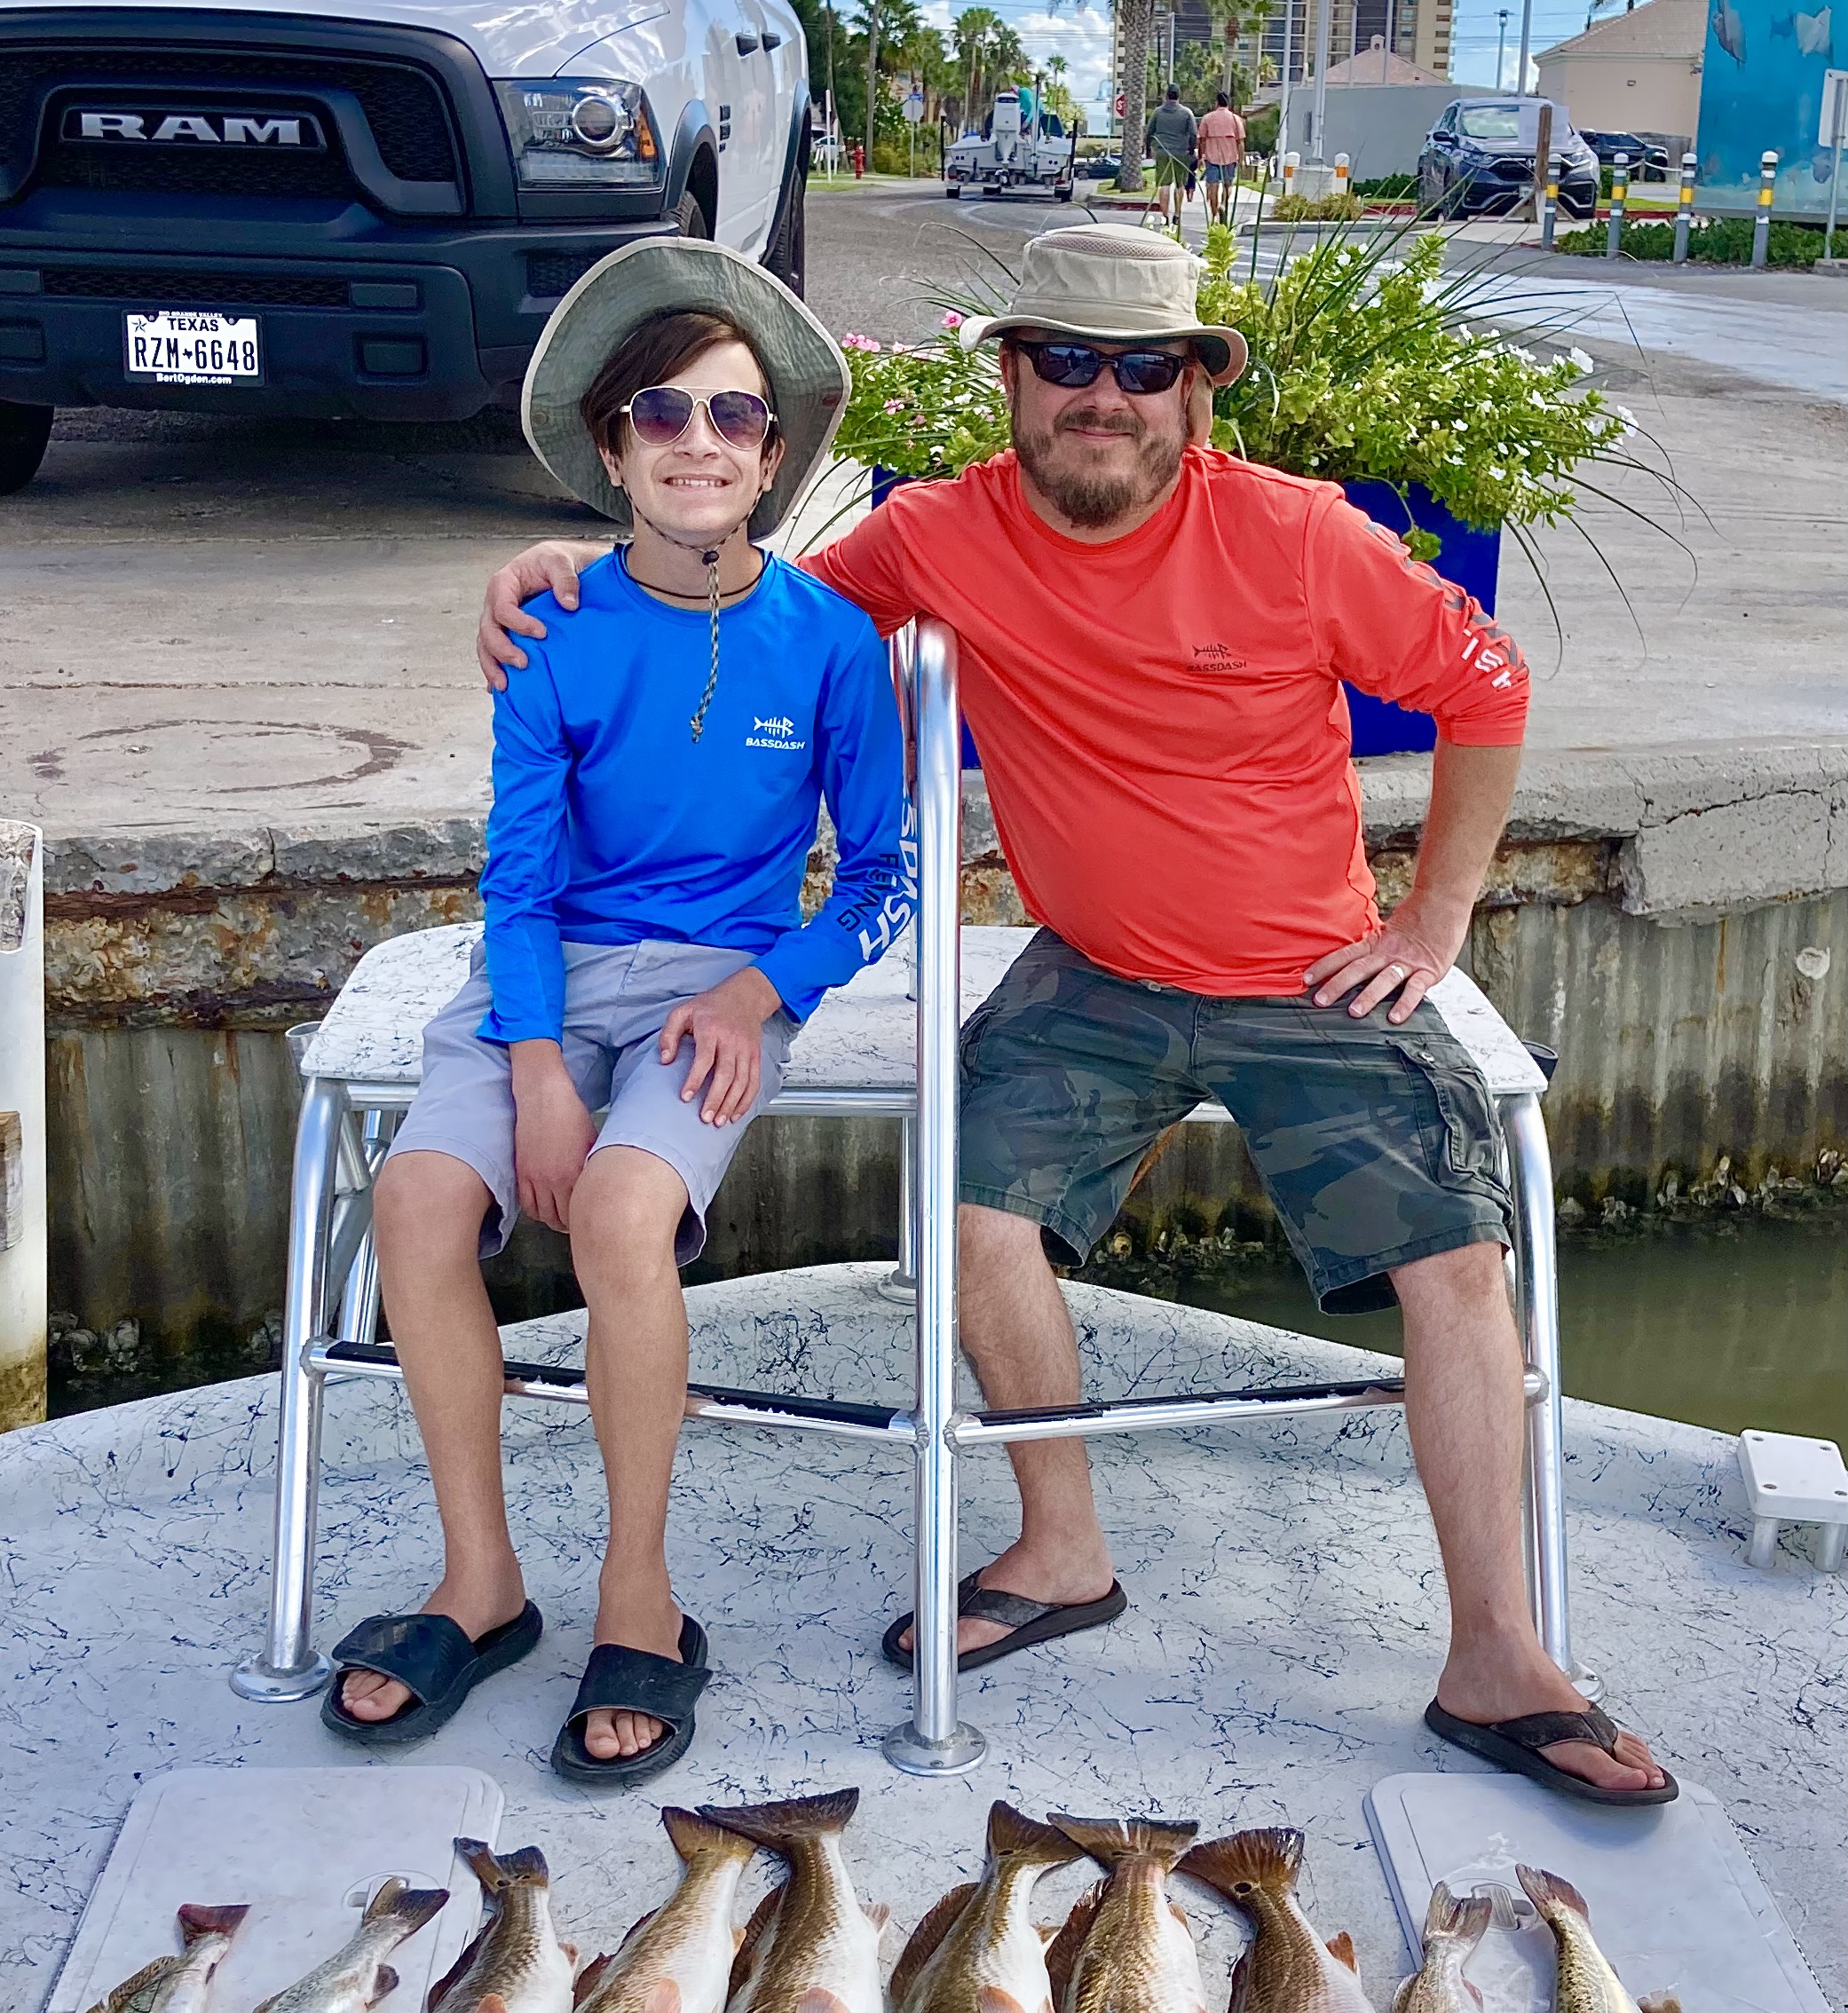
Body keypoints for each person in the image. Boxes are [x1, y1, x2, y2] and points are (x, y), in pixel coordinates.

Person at [476, 224, 1673, 1810]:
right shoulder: (934, 536)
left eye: (1140, 367)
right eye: (1067, 364)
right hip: (1091, 969)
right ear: (1014, 380)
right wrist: (549, 571)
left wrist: (1433, 918)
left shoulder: (1300, 537)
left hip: (1307, 973)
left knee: (1455, 1255)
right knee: (975, 1218)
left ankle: (1499, 1655)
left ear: (1192, 389)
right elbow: (728, 587)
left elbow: (1483, 682)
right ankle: (1059, 1544)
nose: (1100, 395)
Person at [325, 238, 911, 1786]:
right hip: (540, 978)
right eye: (662, 414)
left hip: (710, 992)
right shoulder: (552, 626)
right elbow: (514, 881)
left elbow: (883, 885)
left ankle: (637, 1593)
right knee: (416, 1202)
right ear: (612, 447)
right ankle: (481, 1583)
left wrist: (755, 984)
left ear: (773, 457)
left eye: (731, 416)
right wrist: (529, 1067)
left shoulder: (833, 644)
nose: (698, 443)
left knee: (622, 1213)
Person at [1148, 85, 1198, 228]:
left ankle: (1165, 217)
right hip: (1181, 152)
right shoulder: (1187, 113)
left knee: (1164, 185)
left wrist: (1149, 148)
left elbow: (1149, 132)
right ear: (1179, 96)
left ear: (1166, 96)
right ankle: (1177, 214)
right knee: (1180, 184)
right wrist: (1191, 148)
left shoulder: (1157, 112)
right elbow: (1194, 134)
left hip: (1162, 151)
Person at [1197, 90, 1247, 223]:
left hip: (1212, 157)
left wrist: (1200, 156)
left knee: (1213, 185)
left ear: (1216, 103)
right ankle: (1224, 205)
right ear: (1228, 104)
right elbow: (1240, 142)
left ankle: (1214, 214)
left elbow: (1201, 139)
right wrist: (1241, 160)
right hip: (1230, 157)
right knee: (1228, 184)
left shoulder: (1207, 118)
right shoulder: (1236, 119)